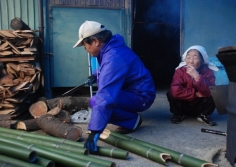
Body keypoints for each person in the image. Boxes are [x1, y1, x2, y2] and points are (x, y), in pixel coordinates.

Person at [73, 20, 156, 153]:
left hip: (141, 96)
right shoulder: (112, 48)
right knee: (99, 101)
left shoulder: (113, 58)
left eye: (84, 44)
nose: (84, 48)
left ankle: (132, 120)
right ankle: (131, 118)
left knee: (97, 101)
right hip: (134, 90)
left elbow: (105, 96)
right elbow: (106, 69)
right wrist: (94, 75)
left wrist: (94, 132)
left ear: (95, 41)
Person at [166, 45, 219, 126]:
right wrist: (195, 94)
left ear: (202, 60)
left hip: (199, 106)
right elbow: (176, 90)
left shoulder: (208, 71)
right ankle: (178, 114)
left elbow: (210, 91)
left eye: (195, 57)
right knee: (171, 93)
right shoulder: (180, 71)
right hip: (183, 105)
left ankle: (204, 115)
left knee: (216, 92)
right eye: (188, 57)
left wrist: (197, 76)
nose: (191, 61)